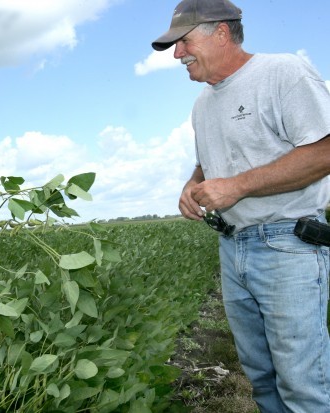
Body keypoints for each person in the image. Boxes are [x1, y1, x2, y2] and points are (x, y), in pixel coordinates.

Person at [152, 0, 330, 411]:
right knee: (262, 379)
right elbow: (206, 164)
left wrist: (238, 187)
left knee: (303, 384)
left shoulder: (281, 72)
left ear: (221, 33)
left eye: (183, 42)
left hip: (288, 244)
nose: (178, 54)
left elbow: (323, 151)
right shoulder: (203, 105)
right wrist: (191, 184)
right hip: (234, 248)